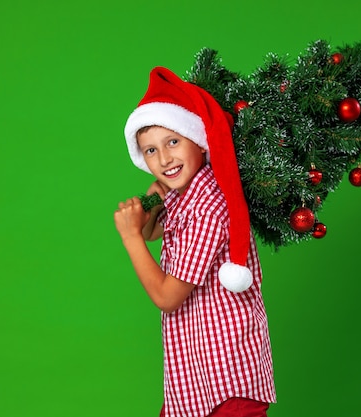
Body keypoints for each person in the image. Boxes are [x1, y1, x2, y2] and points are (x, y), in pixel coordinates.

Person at [114, 67, 276, 417]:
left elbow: (167, 297)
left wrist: (130, 238)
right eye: (151, 151)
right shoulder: (184, 191)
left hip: (227, 381)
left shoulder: (208, 206)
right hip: (193, 379)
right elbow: (154, 231)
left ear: (198, 141)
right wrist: (152, 201)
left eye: (173, 142)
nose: (165, 159)